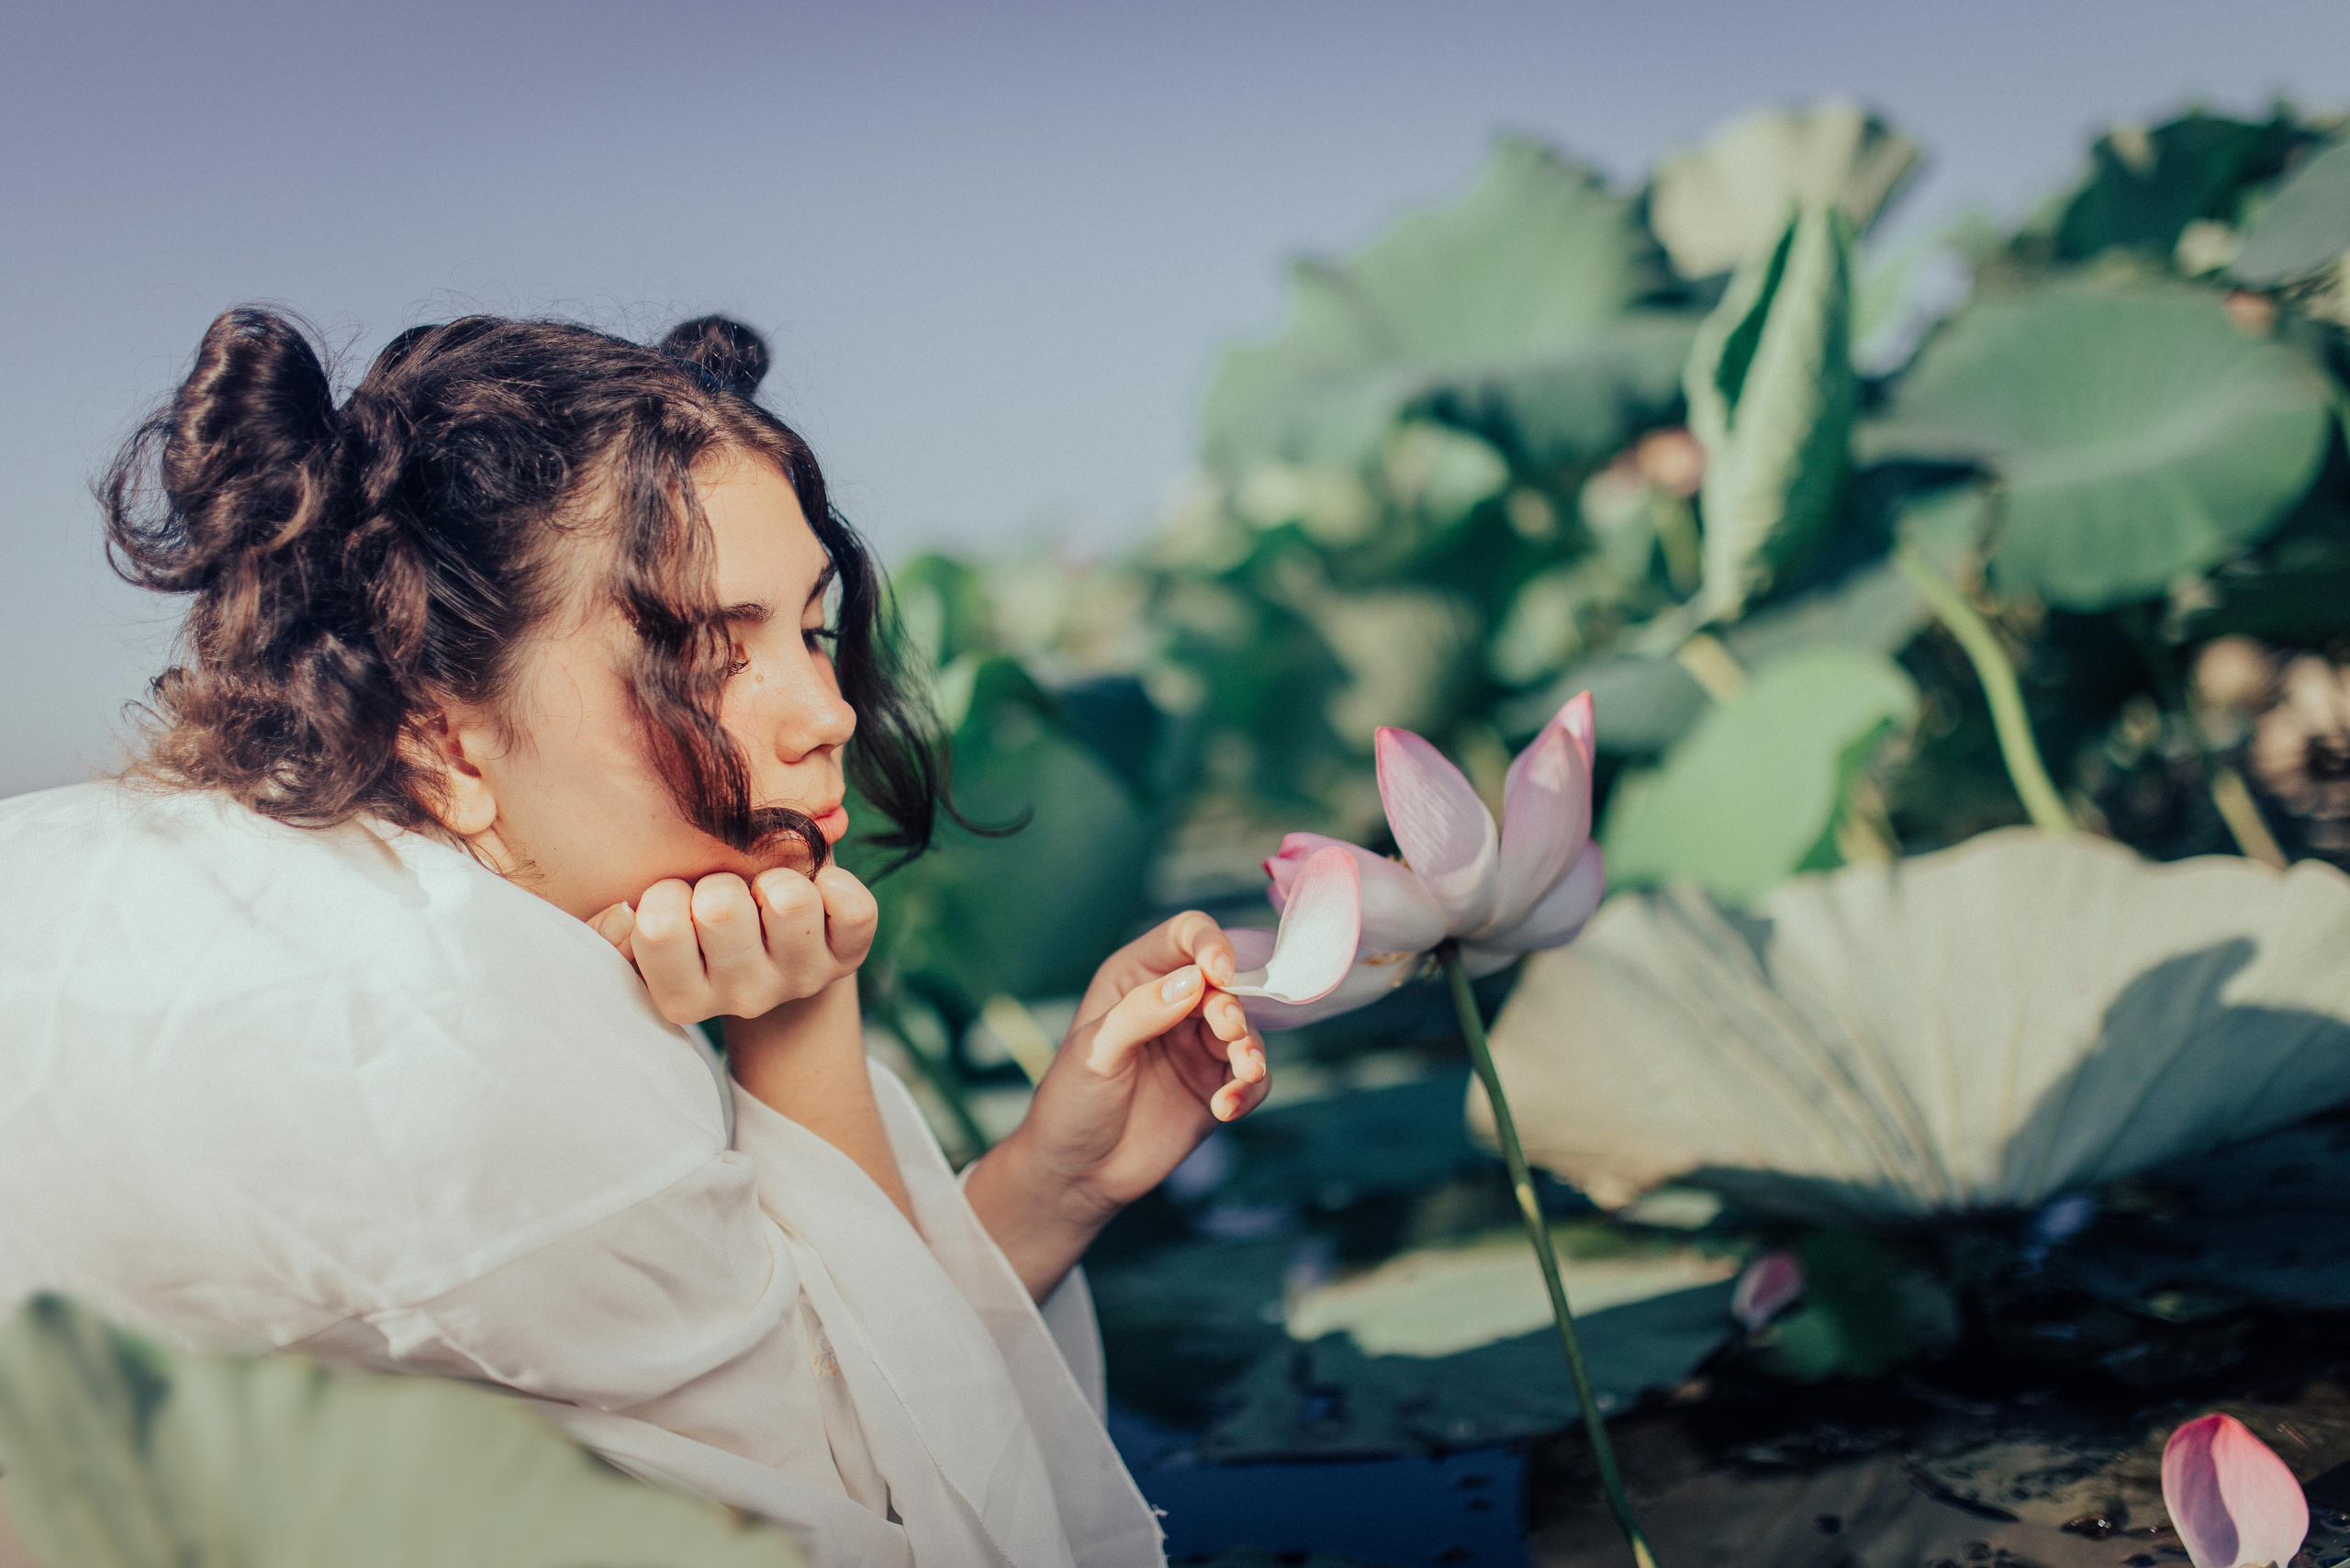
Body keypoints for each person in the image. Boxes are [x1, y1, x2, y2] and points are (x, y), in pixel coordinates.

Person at [0, 308, 1276, 1566]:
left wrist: (1057, 1180)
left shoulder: (233, 871)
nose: (826, 710)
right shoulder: (475, 1022)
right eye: (710, 654)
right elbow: (893, 1508)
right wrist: (803, 1009)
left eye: (813, 630)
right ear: (443, 733)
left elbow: (770, 1410)